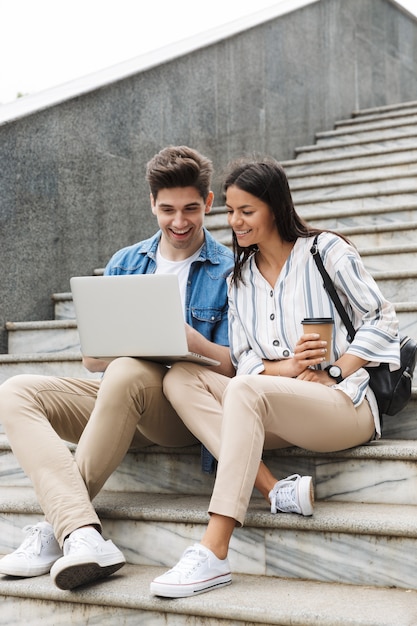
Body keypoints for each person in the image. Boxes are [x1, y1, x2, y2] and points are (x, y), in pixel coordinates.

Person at [0, 147, 311, 592]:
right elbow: (93, 360)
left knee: (128, 370)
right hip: (117, 398)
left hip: (179, 406)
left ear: (207, 202)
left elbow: (242, 366)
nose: (179, 222)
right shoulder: (126, 263)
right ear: (151, 204)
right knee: (16, 390)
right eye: (167, 210)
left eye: (189, 209)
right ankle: (80, 532)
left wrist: (192, 343)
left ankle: (57, 529)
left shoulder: (232, 269)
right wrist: (137, 346)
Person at [150, 156, 401, 598]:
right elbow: (244, 359)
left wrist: (336, 369)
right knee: (181, 378)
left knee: (245, 389)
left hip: (344, 405)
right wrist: (286, 369)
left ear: (275, 207)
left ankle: (214, 549)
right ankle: (275, 490)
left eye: (247, 211)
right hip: (272, 407)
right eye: (229, 211)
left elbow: (383, 320)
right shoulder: (239, 278)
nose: (236, 221)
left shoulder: (326, 252)